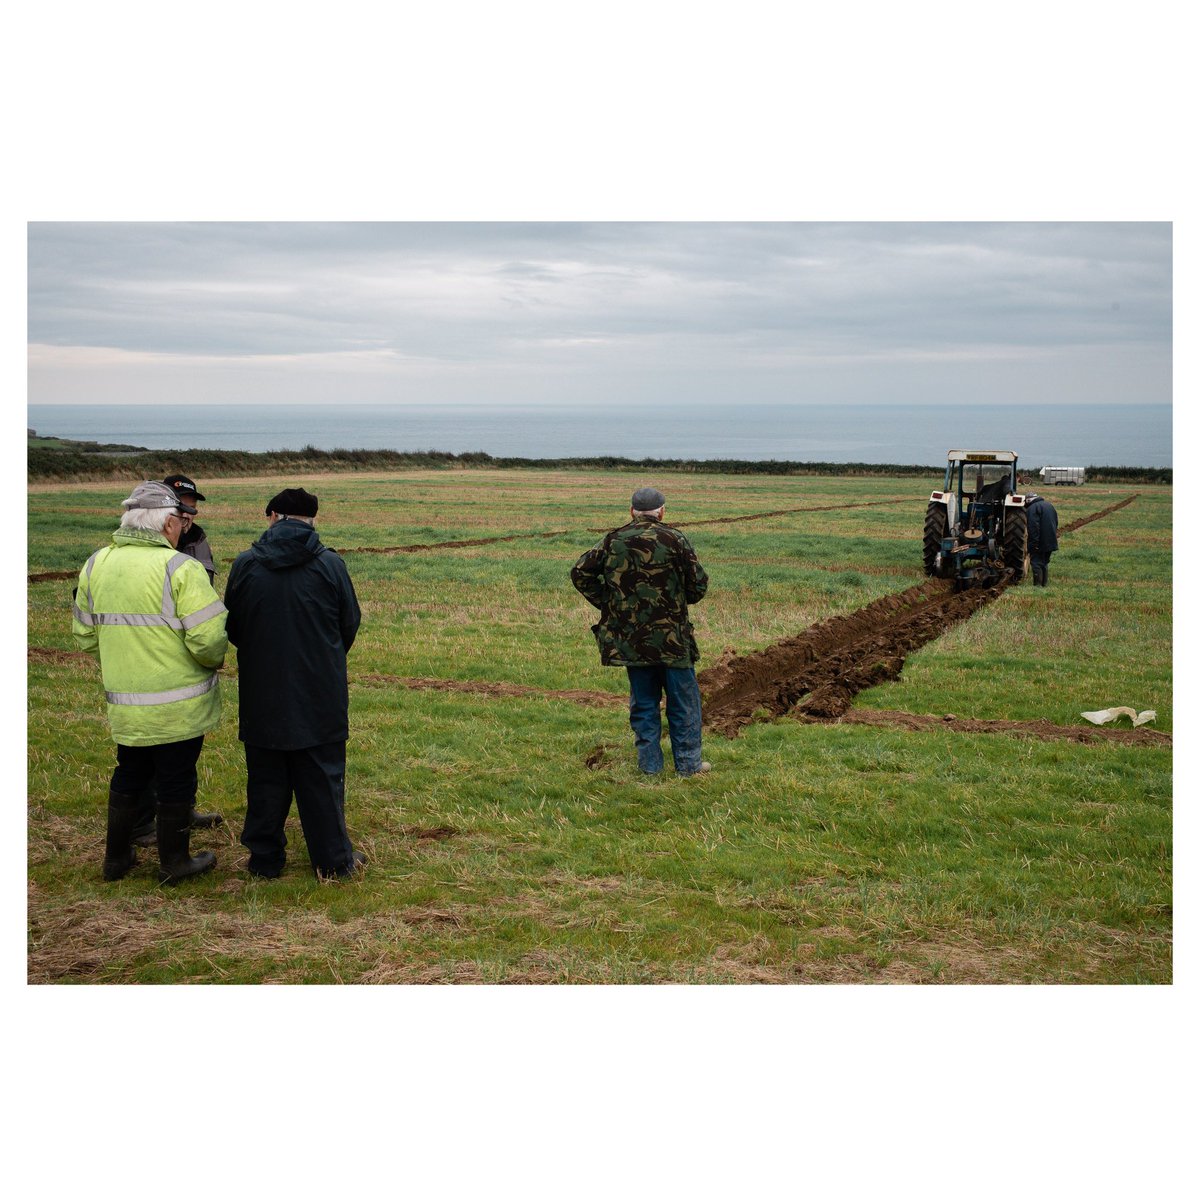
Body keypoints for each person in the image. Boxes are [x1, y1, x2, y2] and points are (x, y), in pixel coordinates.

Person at [71, 481, 228, 884]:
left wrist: (124, 663)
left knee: (129, 772)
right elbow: (210, 640)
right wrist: (207, 664)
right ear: (167, 523)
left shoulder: (95, 565)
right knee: (177, 777)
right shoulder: (181, 569)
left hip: (126, 702)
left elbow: (85, 636)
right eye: (180, 519)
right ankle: (174, 862)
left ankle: (116, 859)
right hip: (179, 703)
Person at [223, 487, 365, 879]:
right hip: (320, 694)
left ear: (271, 516)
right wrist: (324, 656)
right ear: (313, 520)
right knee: (322, 779)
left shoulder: (246, 565)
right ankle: (334, 860)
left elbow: (233, 626)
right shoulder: (331, 565)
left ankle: (265, 859)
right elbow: (348, 623)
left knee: (266, 780)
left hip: (261, 692)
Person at [571, 486, 710, 777]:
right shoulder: (675, 539)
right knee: (684, 702)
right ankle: (689, 766)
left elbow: (580, 572)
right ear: (662, 511)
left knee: (644, 702)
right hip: (673, 639)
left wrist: (610, 602)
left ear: (632, 511)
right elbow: (698, 587)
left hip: (632, 641)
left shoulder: (613, 540)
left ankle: (650, 767)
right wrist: (675, 599)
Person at [127, 471, 224, 845]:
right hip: (155, 653)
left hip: (186, 650)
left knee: (184, 747)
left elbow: (206, 586)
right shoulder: (152, 547)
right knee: (149, 753)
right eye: (184, 511)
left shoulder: (196, 540)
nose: (189, 519)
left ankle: (180, 810)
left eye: (194, 512)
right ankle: (144, 824)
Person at [1022, 483, 1060, 587]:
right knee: (1044, 562)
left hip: (1039, 542)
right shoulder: (1049, 505)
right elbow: (1056, 522)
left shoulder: (1032, 508)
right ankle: (1044, 584)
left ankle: (1037, 585)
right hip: (1051, 540)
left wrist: (1033, 544)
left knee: (1036, 562)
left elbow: (1033, 528)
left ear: (1028, 500)